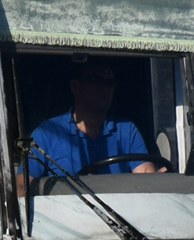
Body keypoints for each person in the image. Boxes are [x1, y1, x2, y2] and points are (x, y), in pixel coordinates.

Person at [25, 61, 163, 179]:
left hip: (116, 210)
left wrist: (156, 181)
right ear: (75, 86)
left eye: (109, 83)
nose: (104, 88)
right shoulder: (47, 133)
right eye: (97, 81)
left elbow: (145, 174)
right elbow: (23, 184)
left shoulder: (126, 129)